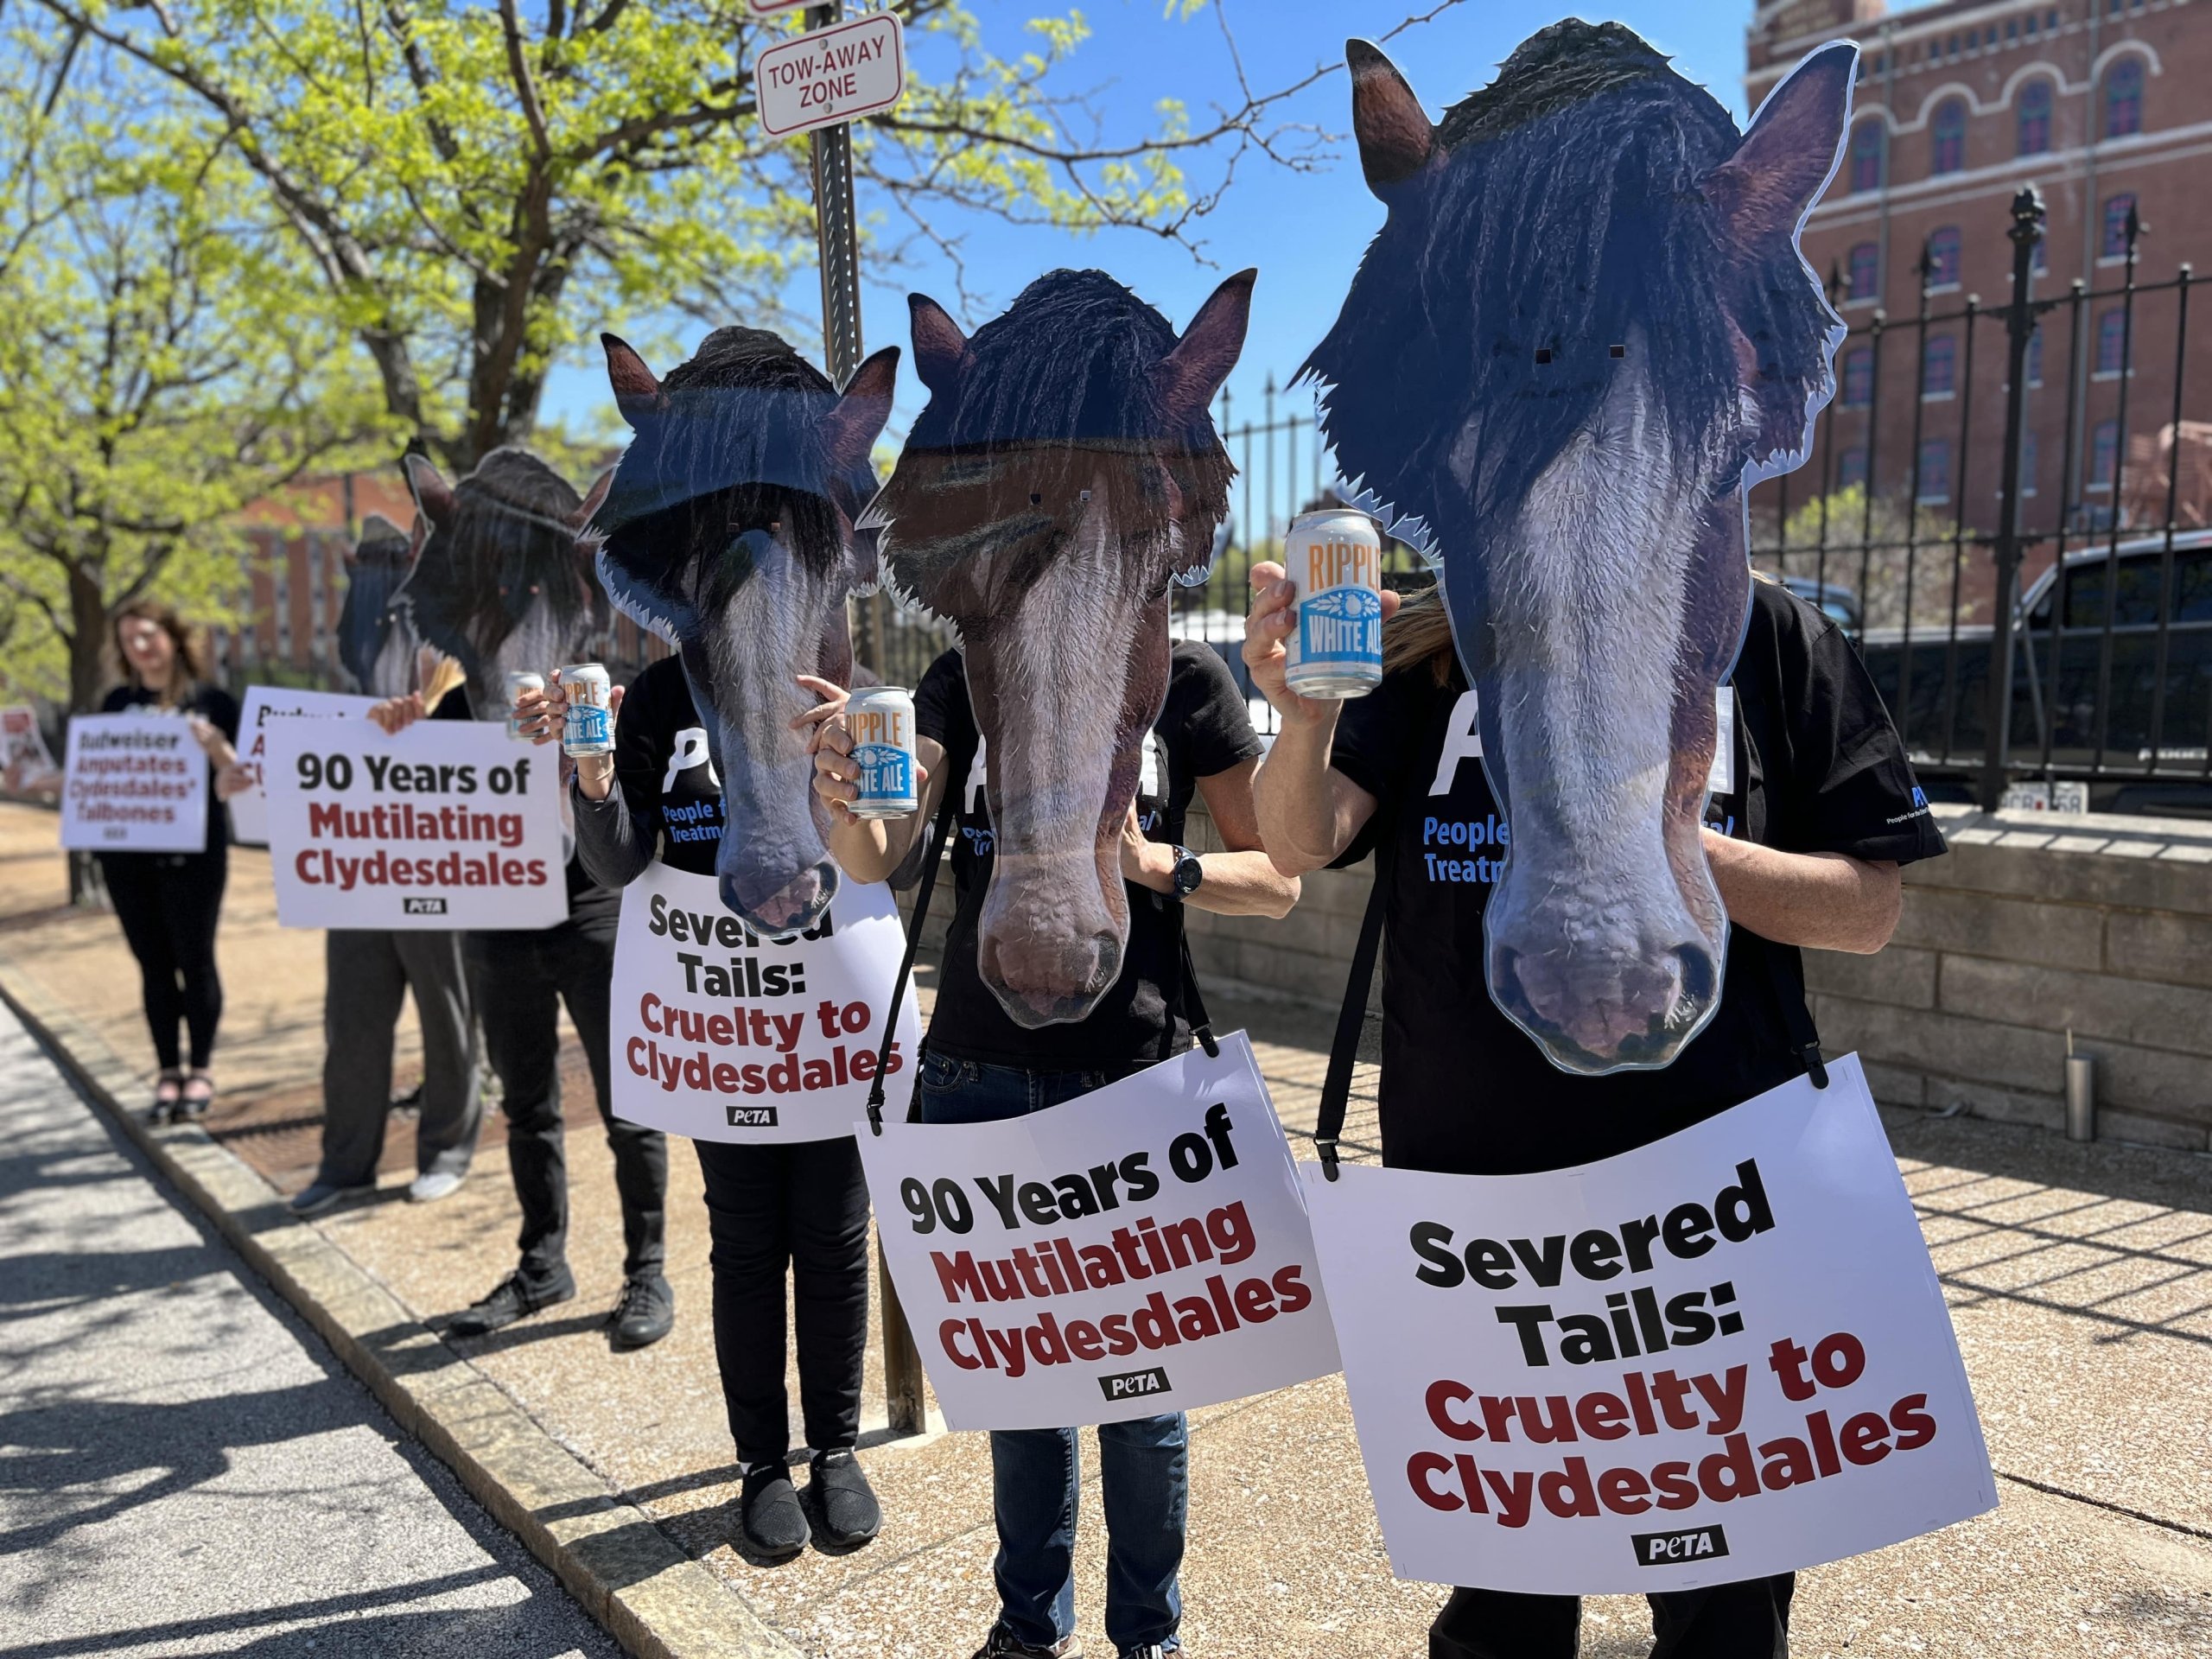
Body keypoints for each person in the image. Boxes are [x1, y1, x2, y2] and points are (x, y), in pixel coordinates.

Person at [1243, 569, 1948, 1659]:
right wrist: (1302, 720)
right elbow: (1298, 841)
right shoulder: (1440, 624)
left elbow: (1866, 910)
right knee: (1500, 1614)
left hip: (1709, 1217)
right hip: (1477, 1215)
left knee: (1724, 1610)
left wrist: (1662, 836)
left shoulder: (1765, 629)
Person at [810, 639, 1299, 1659]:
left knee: (1142, 1399)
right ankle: (1028, 1628)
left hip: (1133, 1083)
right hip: (975, 1079)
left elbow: (1279, 881)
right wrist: (838, 788)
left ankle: (1146, 1637)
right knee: (1023, 1393)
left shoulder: (1186, 676)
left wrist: (1158, 864)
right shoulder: (961, 673)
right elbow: (872, 857)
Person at [523, 662, 884, 1560]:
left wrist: (862, 746)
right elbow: (615, 860)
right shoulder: (655, 697)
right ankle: (761, 1463)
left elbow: (893, 855)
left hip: (826, 1025)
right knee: (748, 1245)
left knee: (835, 1241)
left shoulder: (840, 683)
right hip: (721, 1027)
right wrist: (595, 774)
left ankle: (835, 1449)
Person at [367, 679, 672, 1351]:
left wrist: (592, 738)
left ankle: (646, 1271)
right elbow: (401, 789)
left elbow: (628, 798)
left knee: (630, 1106)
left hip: (593, 914)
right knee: (527, 1107)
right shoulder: (453, 707)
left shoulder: (587, 683)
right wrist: (389, 730)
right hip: (498, 921)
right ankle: (542, 1266)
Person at [99, 601, 250, 1122]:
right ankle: (168, 1071)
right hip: (126, 860)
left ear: (173, 638)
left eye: (147, 636)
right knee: (153, 967)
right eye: (128, 640)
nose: (140, 648)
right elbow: (97, 775)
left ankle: (200, 1069)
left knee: (196, 959)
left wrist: (218, 751)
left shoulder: (214, 702)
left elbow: (244, 778)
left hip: (195, 856)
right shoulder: (116, 704)